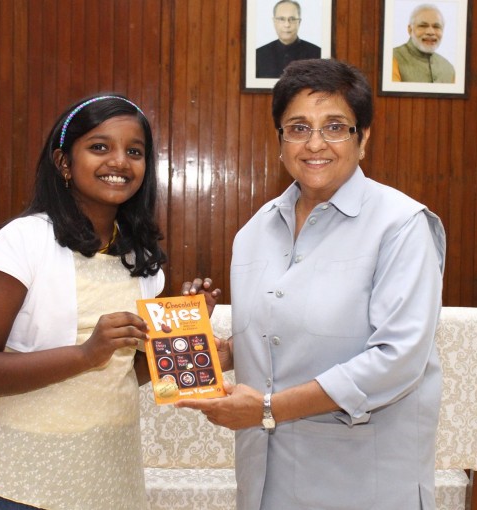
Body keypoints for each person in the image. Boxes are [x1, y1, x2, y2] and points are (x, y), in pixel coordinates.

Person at [177, 59, 446, 509]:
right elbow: (274, 341)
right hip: (267, 480)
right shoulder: (253, 233)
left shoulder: (401, 226)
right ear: (280, 141)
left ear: (363, 139)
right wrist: (204, 345)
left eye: (335, 127)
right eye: (298, 128)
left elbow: (397, 359)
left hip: (363, 483)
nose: (315, 143)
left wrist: (268, 409)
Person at [0, 94, 218, 510]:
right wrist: (86, 353)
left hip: (111, 472)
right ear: (63, 163)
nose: (119, 162)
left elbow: (130, 374)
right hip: (27, 478)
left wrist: (188, 333)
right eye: (99, 147)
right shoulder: (22, 242)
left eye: (134, 151)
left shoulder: (141, 262)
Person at [255, 0, 321, 79]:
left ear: (299, 22)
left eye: (292, 19)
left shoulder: (317, 54)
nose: (287, 25)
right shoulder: (258, 55)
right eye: (281, 19)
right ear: (274, 22)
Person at [392, 3, 456, 83]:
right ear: (410, 30)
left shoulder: (448, 68)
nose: (430, 32)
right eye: (423, 26)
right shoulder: (392, 58)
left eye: (436, 27)